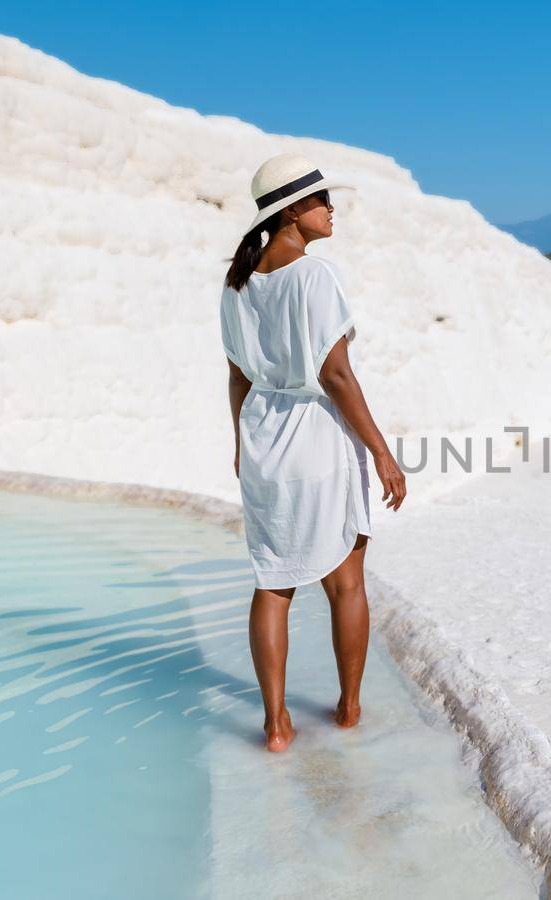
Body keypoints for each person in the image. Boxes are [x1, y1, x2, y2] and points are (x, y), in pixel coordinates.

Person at [221, 154, 408, 752]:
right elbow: (336, 374)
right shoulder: (314, 275)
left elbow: (236, 376)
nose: (333, 211)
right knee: (345, 580)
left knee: (272, 582)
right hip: (316, 434)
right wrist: (382, 452)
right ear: (294, 210)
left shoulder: (240, 282)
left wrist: (238, 444)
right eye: (324, 201)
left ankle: (276, 725)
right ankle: (349, 711)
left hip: (263, 438)